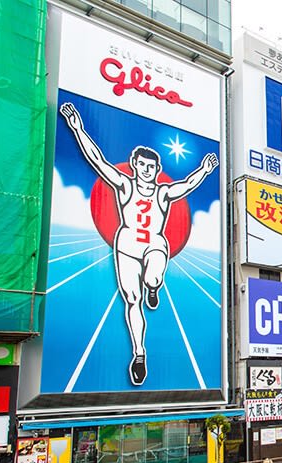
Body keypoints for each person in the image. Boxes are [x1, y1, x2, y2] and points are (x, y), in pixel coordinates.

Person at [59, 102, 219, 386]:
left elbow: (187, 185)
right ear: (135, 166)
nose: (146, 170)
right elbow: (98, 161)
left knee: (154, 275)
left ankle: (154, 286)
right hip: (127, 244)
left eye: (151, 166)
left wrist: (205, 170)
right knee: (132, 300)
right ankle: (139, 353)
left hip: (155, 243)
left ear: (158, 169)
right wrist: (77, 128)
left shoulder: (163, 192)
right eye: (142, 165)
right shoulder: (125, 185)